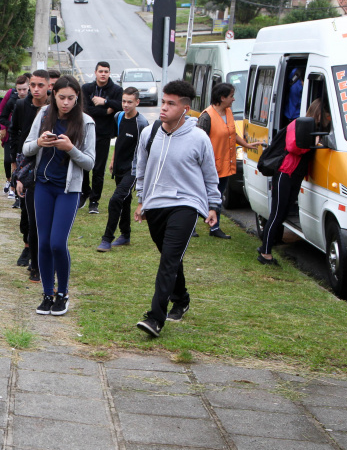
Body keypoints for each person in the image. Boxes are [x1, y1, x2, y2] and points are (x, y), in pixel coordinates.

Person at [134, 80, 221, 338]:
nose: (164, 108)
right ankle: (181, 297)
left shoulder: (198, 138)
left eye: (171, 104)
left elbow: (210, 175)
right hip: (155, 204)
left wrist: (213, 205)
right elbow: (141, 168)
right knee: (171, 258)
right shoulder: (149, 133)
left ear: (185, 108)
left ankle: (155, 318)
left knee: (168, 260)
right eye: (163, 102)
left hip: (186, 204)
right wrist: (142, 199)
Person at [23, 75, 95, 315]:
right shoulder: (44, 114)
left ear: (77, 98)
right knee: (43, 243)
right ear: (54, 95)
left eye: (71, 98)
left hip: (68, 190)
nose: (65, 103)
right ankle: (47, 293)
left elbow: (90, 163)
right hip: (42, 186)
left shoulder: (86, 123)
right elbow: (26, 147)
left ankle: (62, 294)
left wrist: (70, 149)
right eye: (61, 97)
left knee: (57, 243)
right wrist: (40, 143)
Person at [258, 98, 331, 265]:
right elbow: (293, 147)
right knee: (277, 214)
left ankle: (265, 248)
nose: (328, 118)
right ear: (319, 112)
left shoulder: (314, 127)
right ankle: (265, 253)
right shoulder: (298, 124)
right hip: (286, 173)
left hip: (295, 175)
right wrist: (312, 143)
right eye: (327, 114)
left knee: (282, 213)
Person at [197, 82, 261, 240]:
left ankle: (215, 227)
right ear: (222, 97)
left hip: (226, 164)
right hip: (210, 166)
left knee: (217, 196)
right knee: (203, 195)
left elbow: (231, 133)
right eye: (231, 96)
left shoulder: (228, 112)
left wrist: (246, 144)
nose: (233, 99)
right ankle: (192, 225)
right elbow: (197, 142)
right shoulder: (206, 116)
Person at [9, 70, 50, 280]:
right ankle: (28, 247)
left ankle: (37, 260)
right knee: (26, 214)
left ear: (48, 86)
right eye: (32, 85)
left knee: (39, 218)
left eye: (40, 85)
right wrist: (16, 167)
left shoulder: (53, 109)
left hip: (44, 165)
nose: (35, 89)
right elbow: (14, 132)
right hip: (25, 164)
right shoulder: (21, 105)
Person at [97, 87, 148, 252]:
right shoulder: (118, 116)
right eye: (124, 101)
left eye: (129, 102)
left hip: (132, 170)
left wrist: (142, 172)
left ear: (137, 102)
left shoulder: (142, 124)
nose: (125, 105)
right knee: (125, 202)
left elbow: (145, 150)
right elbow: (119, 140)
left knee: (116, 200)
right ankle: (125, 234)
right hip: (118, 167)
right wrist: (113, 160)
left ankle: (107, 239)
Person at [81, 62, 124, 214]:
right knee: (84, 165)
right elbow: (85, 108)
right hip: (86, 132)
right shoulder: (87, 88)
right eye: (100, 71)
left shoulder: (116, 90)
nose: (103, 74)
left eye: (106, 71)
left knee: (99, 169)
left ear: (109, 73)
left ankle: (94, 200)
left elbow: (121, 105)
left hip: (104, 134)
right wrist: (106, 111)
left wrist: (105, 102)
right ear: (95, 72)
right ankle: (84, 191)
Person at [0, 74, 30, 201]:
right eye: (19, 89)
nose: (22, 92)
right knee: (12, 162)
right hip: (14, 137)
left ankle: (21, 190)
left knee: (26, 165)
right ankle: (12, 187)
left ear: (29, 88)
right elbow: (2, 115)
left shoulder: (34, 100)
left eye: (24, 89)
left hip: (29, 139)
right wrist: (10, 126)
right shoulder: (12, 100)